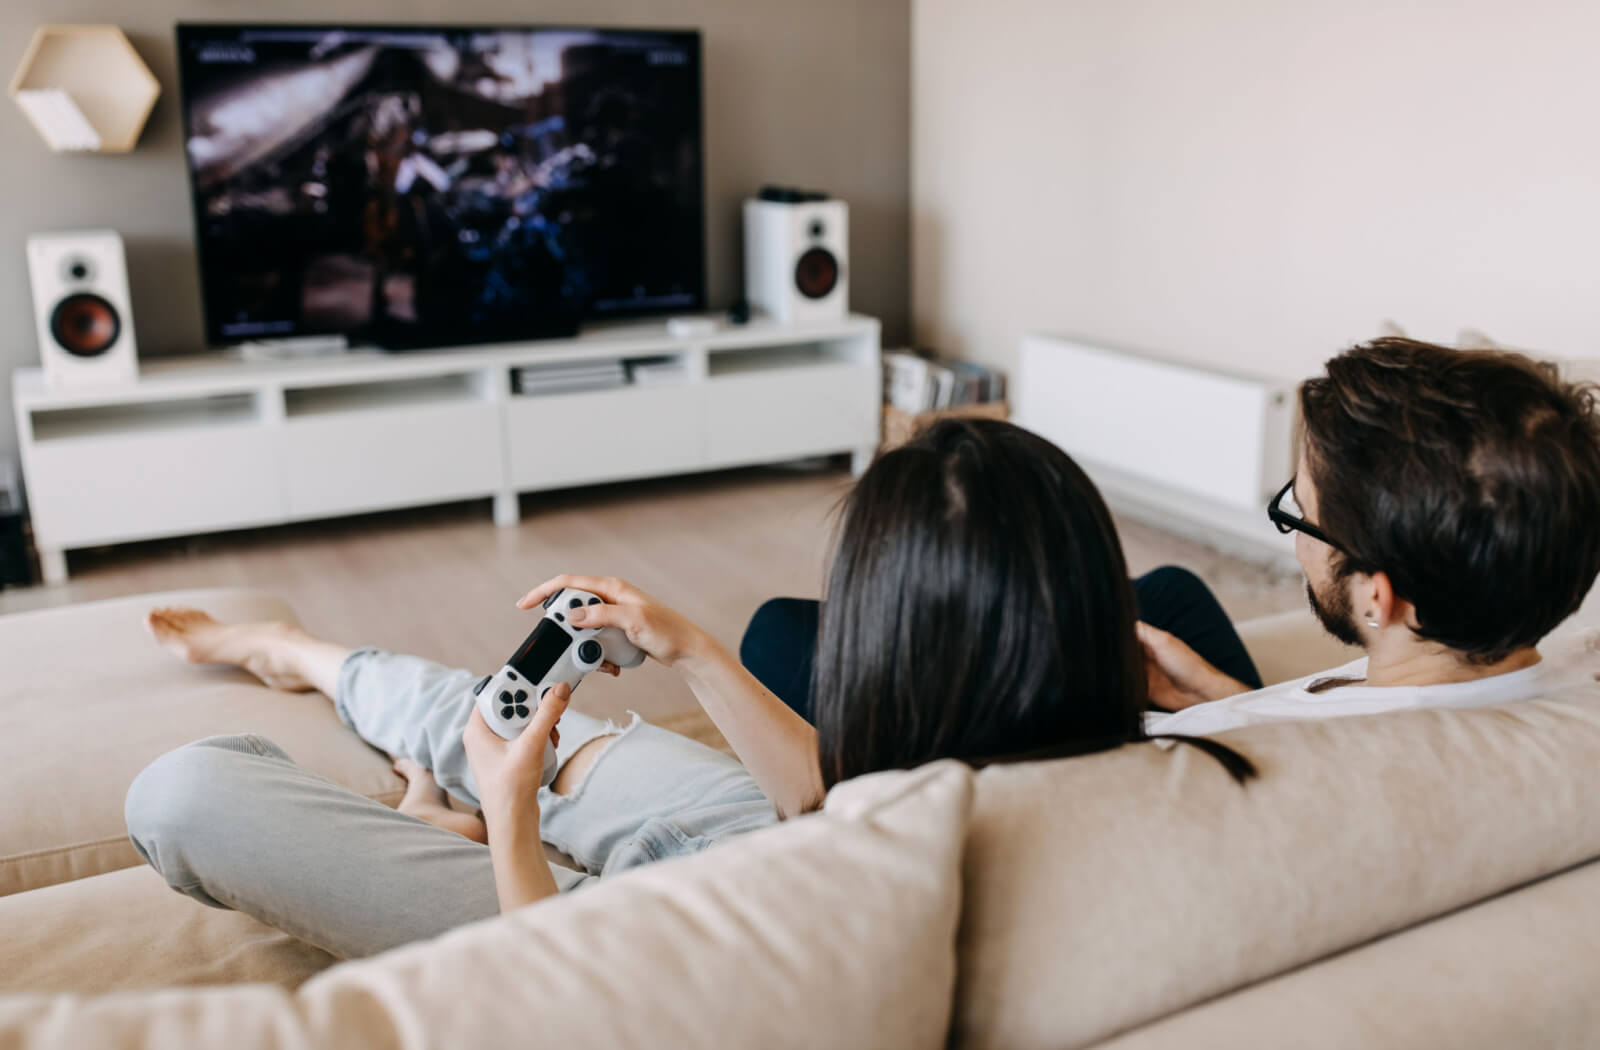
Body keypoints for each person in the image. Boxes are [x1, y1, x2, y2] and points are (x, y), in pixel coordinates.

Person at [125, 419, 1250, 961]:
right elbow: (838, 806)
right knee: (494, 717)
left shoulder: (867, 914)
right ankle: (304, 656)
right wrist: (690, 648)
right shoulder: (1174, 775)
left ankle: (435, 798)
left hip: (627, 929)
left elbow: (569, 999)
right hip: (749, 833)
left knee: (188, 797)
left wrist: (503, 828)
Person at [743, 339, 1600, 741]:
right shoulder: (1566, 687)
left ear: (1380, 597)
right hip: (1224, 706)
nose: (1293, 532)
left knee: (778, 630)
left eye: (1296, 516)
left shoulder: (1199, 769)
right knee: (1177, 592)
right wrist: (1223, 696)